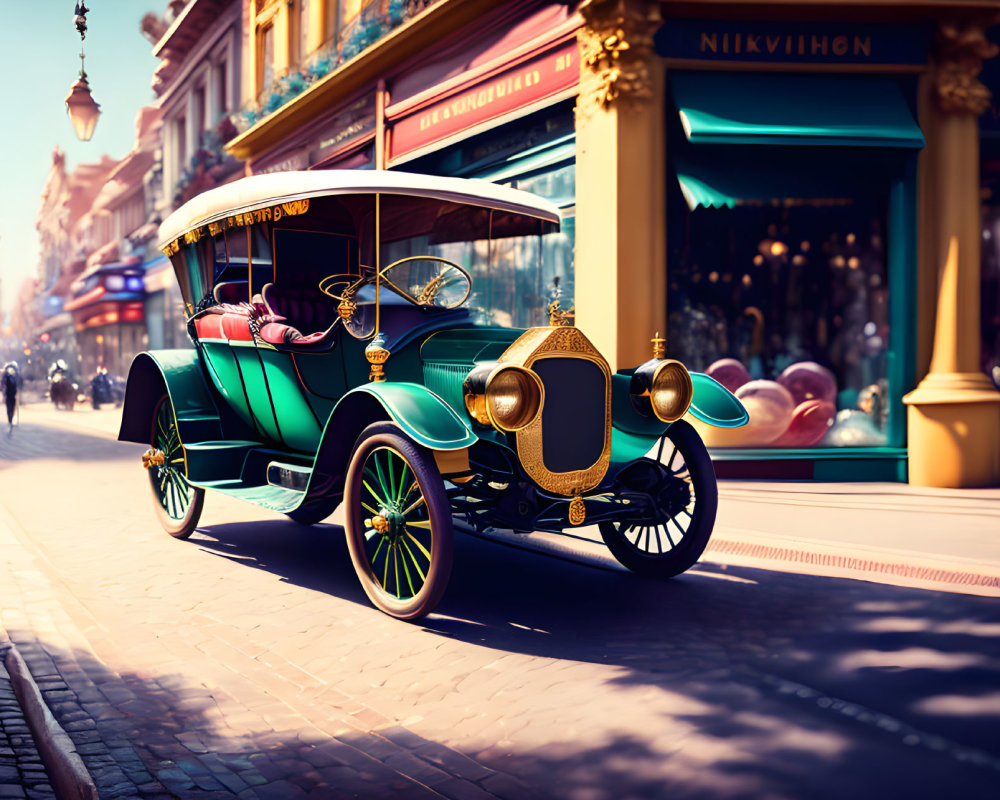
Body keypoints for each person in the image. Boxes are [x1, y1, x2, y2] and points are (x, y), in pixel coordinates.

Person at [2, 361, 19, 433]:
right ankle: (10, 419)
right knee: (9, 407)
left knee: (13, 407)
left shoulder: (15, 377)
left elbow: (18, 383)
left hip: (13, 394)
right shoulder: (6, 377)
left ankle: (11, 419)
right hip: (8, 394)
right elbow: (3, 384)